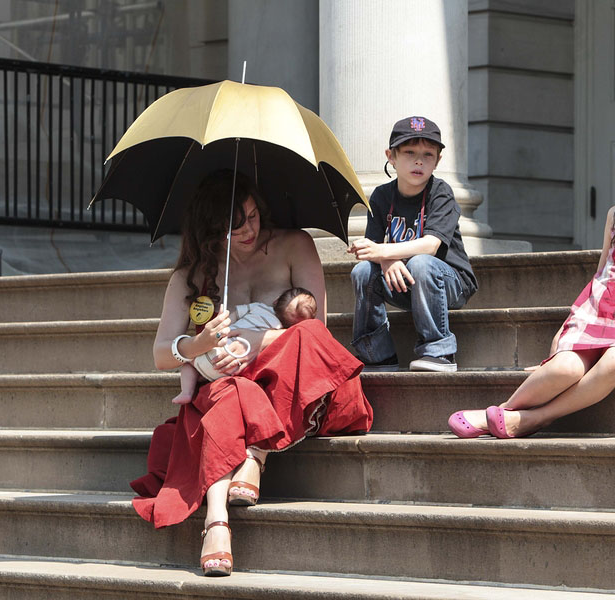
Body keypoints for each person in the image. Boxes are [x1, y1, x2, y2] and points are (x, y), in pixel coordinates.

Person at [130, 170, 373, 577]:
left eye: (252, 215)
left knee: (305, 338)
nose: (248, 229)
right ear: (210, 228)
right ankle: (216, 522)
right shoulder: (192, 275)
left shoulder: (295, 245)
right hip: (227, 382)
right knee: (229, 394)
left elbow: (317, 330)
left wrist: (258, 339)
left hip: (293, 376)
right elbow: (161, 354)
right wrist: (199, 345)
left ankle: (255, 457)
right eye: (234, 223)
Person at [448, 129, 615, 439]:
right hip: (598, 314)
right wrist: (564, 332)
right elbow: (602, 274)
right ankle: (504, 414)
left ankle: (532, 419)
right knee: (565, 367)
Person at [348, 116, 477, 372]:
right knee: (362, 272)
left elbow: (430, 246)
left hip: (449, 282)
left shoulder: (441, 192)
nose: (419, 161)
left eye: (428, 155)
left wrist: (383, 252)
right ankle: (377, 354)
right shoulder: (382, 196)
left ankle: (439, 351)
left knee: (421, 263)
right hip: (405, 282)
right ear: (391, 157)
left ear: (437, 161)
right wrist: (386, 260)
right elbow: (372, 249)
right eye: (409, 152)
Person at [172, 287, 318, 405]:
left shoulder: (258, 307)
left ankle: (187, 392)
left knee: (188, 363)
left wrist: (223, 324)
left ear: (275, 301)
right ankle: (205, 374)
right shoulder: (279, 333)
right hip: (235, 369)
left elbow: (234, 315)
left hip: (217, 351)